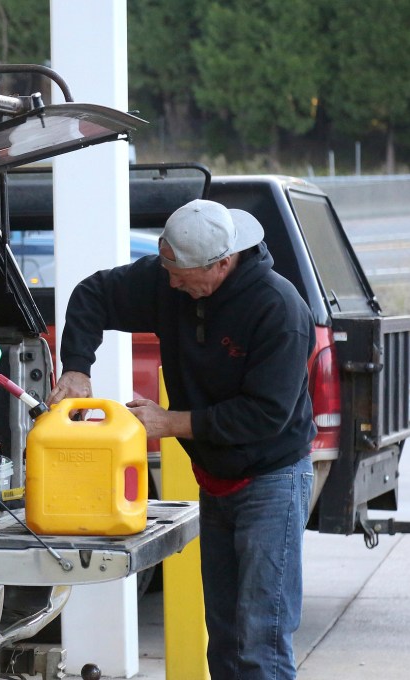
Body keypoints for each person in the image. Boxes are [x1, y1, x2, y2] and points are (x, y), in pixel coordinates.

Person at [49, 198, 316, 680]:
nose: (170, 283)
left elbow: (265, 415)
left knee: (262, 638)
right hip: (216, 480)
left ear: (221, 263)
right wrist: (76, 368)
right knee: (226, 638)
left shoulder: (279, 310)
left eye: (180, 274)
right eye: (166, 267)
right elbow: (93, 294)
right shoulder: (168, 280)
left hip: (272, 480)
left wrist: (170, 423)